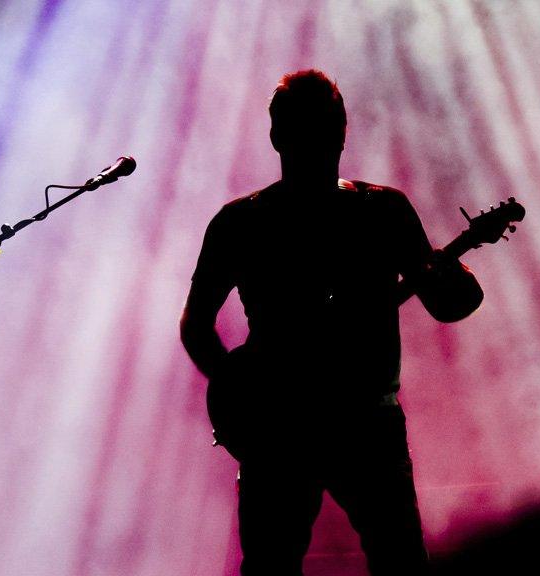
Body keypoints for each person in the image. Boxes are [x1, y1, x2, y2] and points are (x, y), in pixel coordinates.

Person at [180, 69, 484, 576]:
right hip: (325, 426)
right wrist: (240, 391)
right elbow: (196, 323)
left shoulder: (253, 219)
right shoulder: (371, 210)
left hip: (344, 422)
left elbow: (449, 303)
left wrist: (448, 268)